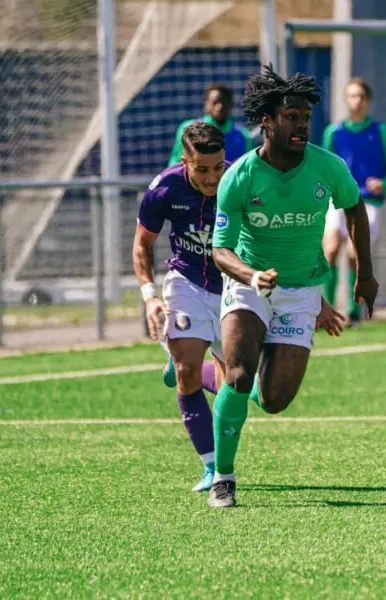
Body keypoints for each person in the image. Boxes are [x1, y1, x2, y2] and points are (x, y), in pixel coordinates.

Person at [207, 65, 379, 508]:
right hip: (248, 286)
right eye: (291, 118)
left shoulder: (328, 167)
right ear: (267, 121)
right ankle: (223, 478)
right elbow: (220, 250)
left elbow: (355, 209)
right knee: (240, 377)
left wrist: (365, 274)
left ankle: (217, 374)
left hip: (301, 290)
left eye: (306, 118)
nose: (302, 125)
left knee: (275, 400)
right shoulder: (240, 176)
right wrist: (252, 276)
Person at [133, 122, 229, 493]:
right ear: (185, 161)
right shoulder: (164, 188)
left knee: (240, 386)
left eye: (218, 167)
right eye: (202, 169)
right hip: (185, 282)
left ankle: (189, 362)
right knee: (187, 372)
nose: (212, 177)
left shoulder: (240, 182)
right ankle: (211, 466)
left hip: (232, 288)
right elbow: (142, 246)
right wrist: (150, 296)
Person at [321, 77, 386, 324]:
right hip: (338, 199)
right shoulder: (334, 132)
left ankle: (353, 310)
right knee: (330, 250)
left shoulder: (380, 131)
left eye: (360, 96)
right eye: (351, 96)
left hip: (367, 201)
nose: (356, 101)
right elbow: (324, 168)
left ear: (368, 101)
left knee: (353, 253)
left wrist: (384, 184)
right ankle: (327, 310)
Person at [168, 83, 257, 166]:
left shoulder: (243, 135)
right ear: (206, 104)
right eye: (215, 102)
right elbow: (175, 163)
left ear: (231, 105)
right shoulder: (188, 129)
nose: (219, 107)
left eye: (224, 102)